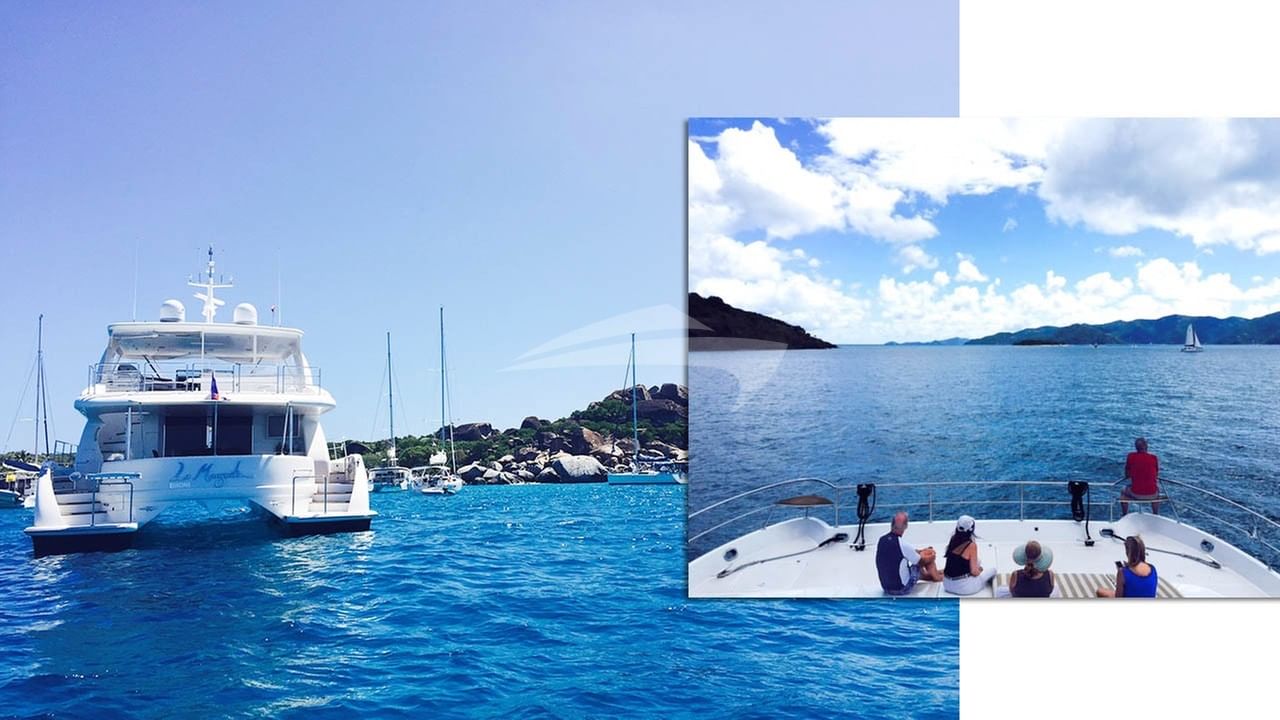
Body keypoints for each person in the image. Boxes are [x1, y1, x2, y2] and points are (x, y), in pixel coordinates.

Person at [876, 511, 943, 596]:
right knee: (927, 556)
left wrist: (920, 551)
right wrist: (931, 554)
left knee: (918, 557)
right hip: (902, 589)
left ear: (892, 524)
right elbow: (921, 561)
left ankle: (928, 575)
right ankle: (937, 577)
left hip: (886, 588)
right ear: (905, 526)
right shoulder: (902, 544)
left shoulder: (882, 540)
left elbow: (901, 553)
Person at [941, 515, 996, 596]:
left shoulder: (953, 539)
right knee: (993, 570)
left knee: (978, 561)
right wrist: (979, 572)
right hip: (964, 588)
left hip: (947, 585)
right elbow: (974, 572)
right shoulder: (971, 545)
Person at [1121, 437, 1160, 515]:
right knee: (1157, 489)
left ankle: (1124, 514)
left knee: (1123, 491)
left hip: (1136, 493)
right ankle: (1156, 513)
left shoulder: (1131, 456)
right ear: (1146, 446)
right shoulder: (1154, 458)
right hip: (1152, 494)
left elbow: (1127, 474)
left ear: (1136, 447)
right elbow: (1156, 474)